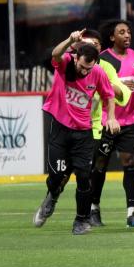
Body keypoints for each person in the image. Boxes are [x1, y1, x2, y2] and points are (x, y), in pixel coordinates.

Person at [33, 30, 120, 235]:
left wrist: (112, 117)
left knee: (84, 177)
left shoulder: (97, 72)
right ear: (75, 58)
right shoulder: (64, 63)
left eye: (88, 68)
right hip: (60, 129)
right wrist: (70, 40)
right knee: (57, 176)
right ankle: (52, 197)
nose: (83, 71)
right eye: (81, 66)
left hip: (83, 133)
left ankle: (80, 221)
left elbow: (108, 96)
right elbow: (54, 54)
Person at [88, 20, 134, 228]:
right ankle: (93, 208)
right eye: (121, 32)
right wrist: (122, 86)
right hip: (106, 120)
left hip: (130, 119)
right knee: (100, 165)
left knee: (130, 163)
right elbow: (95, 87)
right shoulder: (102, 59)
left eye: (129, 32)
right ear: (112, 37)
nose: (127, 35)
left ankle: (132, 213)